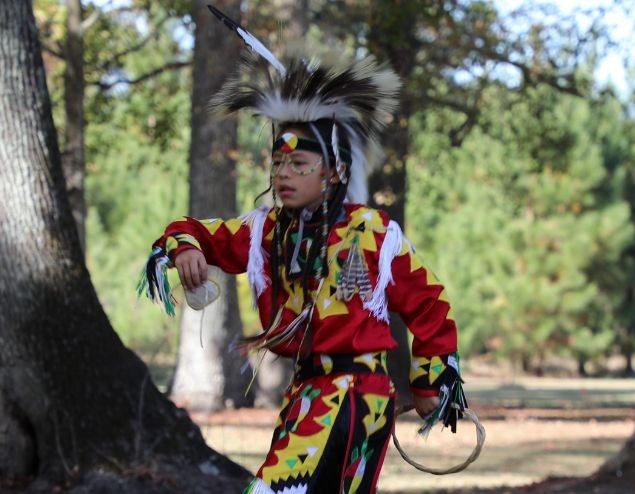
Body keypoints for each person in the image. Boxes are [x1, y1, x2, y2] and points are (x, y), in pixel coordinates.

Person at [138, 18, 467, 494]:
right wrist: (186, 248)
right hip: (306, 394)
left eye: (298, 164)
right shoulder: (265, 233)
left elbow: (430, 303)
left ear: (332, 172)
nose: (284, 174)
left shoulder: (374, 234)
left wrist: (430, 385)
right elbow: (191, 231)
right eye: (278, 163)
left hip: (355, 399)